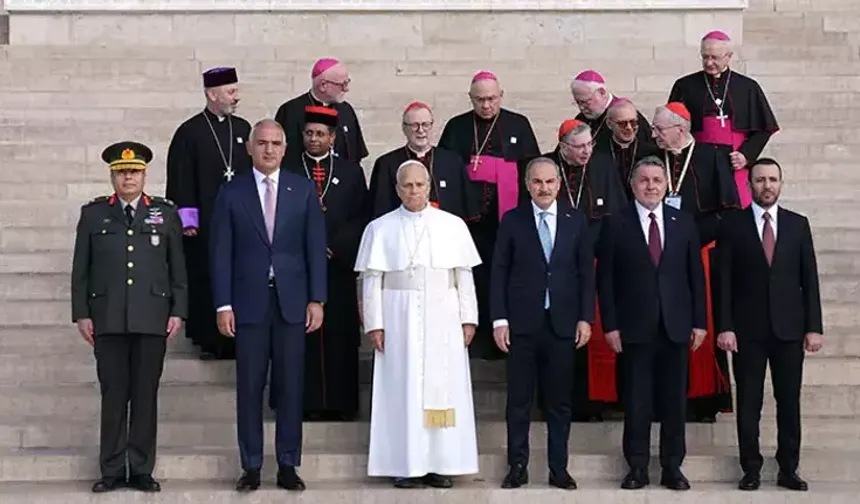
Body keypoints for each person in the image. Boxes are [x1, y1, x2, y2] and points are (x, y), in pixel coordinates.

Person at [209, 119, 327, 492]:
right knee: (249, 387)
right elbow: (220, 252)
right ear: (250, 147)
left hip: (292, 302)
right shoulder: (232, 192)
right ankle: (252, 465)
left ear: (286, 147)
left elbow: (314, 249)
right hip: (248, 304)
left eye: (276, 143)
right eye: (262, 143)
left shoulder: (303, 190)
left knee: (292, 386)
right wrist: (223, 304)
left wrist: (317, 298)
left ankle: (289, 463)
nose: (270, 149)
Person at [356, 160, 482, 489]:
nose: (414, 191)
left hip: (444, 316)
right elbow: (371, 281)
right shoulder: (379, 228)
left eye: (419, 185)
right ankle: (405, 464)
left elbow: (463, 276)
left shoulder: (452, 226)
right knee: (403, 391)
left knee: (445, 390)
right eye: (407, 185)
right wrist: (374, 324)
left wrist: (468, 318)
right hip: (398, 318)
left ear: (430, 186)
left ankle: (441, 464)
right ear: (397, 189)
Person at [71, 141, 187, 493]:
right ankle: (110, 469)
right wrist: (82, 314)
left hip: (152, 318)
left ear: (144, 175)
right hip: (107, 319)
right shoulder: (93, 215)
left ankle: (140, 468)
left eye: (134, 172)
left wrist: (178, 311)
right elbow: (82, 270)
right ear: (112, 177)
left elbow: (177, 268)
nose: (128, 178)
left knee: (145, 395)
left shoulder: (164, 214)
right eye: (122, 173)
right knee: (114, 395)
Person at [596, 156, 707, 491]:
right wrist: (611, 325)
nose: (651, 186)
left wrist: (699, 322)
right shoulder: (616, 222)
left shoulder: (683, 222)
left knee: (674, 401)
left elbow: (695, 277)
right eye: (644, 180)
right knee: (637, 400)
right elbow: (606, 280)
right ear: (633, 185)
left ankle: (673, 466)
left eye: (657, 180)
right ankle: (638, 467)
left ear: (666, 184)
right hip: (634, 328)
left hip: (675, 327)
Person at [716, 158, 823, 492]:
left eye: (773, 179)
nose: (767, 185)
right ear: (750, 185)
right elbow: (723, 282)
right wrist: (725, 326)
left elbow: (810, 279)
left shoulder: (797, 224)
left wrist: (814, 326)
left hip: (790, 330)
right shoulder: (731, 225)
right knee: (749, 402)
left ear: (781, 184)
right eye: (760, 180)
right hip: (747, 331)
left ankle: (789, 468)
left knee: (788, 401)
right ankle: (751, 469)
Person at [490, 157, 594, 490]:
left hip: (562, 324)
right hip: (522, 324)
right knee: (519, 400)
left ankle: (558, 468)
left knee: (559, 401)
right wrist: (499, 319)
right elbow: (499, 272)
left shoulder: (575, 220)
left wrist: (585, 318)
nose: (544, 188)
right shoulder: (513, 220)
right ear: (526, 184)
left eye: (550, 181)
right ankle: (517, 466)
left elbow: (584, 273)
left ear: (560, 184)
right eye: (537, 182)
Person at [438, 70, 541, 360]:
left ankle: (508, 338)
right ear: (471, 99)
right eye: (480, 100)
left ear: (501, 96)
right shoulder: (457, 127)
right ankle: (476, 338)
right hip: (470, 223)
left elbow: (530, 170)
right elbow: (446, 168)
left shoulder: (518, 125)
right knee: (474, 278)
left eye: (492, 99)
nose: (486, 105)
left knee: (508, 276)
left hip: (507, 221)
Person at [281, 105, 371, 421]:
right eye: (309, 133)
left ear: (332, 137)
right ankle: (303, 403)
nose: (314, 139)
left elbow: (363, 216)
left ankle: (340, 403)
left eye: (320, 134)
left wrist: (337, 246)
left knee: (339, 336)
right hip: (299, 266)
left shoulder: (350, 172)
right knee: (300, 334)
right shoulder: (289, 170)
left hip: (338, 266)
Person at [652, 101, 739, 422]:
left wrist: (690, 236)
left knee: (701, 323)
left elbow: (727, 210)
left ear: (681, 129)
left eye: (659, 129)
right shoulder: (652, 156)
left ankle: (704, 400)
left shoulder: (712, 156)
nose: (654, 134)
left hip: (701, 253)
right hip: (659, 254)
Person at [540, 119, 627, 421]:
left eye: (589, 144)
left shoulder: (602, 165)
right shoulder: (548, 167)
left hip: (596, 261)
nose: (586, 152)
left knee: (592, 333)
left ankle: (596, 403)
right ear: (563, 147)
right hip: (558, 265)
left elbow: (616, 213)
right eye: (578, 147)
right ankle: (561, 402)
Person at [166, 66, 253, 360]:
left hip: (239, 222)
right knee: (206, 278)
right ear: (211, 94)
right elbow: (180, 178)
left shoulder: (243, 130)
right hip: (205, 224)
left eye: (236, 91)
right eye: (231, 92)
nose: (236, 97)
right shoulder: (189, 132)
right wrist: (188, 219)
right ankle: (206, 339)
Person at [668, 30, 780, 208]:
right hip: (698, 163)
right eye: (705, 57)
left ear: (728, 56)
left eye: (714, 57)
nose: (709, 62)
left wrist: (746, 155)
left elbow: (764, 128)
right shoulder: (685, 86)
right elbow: (670, 124)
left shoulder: (747, 87)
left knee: (737, 213)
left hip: (734, 164)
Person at [369, 101, 478, 220]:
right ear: (404, 128)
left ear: (432, 126)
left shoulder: (452, 162)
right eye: (414, 125)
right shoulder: (386, 164)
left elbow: (463, 209)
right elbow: (380, 210)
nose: (421, 130)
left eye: (425, 124)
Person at [274, 58, 368, 165]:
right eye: (342, 84)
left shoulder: (346, 110)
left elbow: (356, 156)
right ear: (323, 85)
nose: (346, 89)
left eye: (347, 82)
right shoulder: (290, 111)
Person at [597, 97, 661, 199]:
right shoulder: (599, 152)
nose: (629, 128)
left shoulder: (651, 152)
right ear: (609, 124)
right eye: (622, 123)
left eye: (633, 122)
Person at [570, 70, 652, 147]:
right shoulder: (581, 119)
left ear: (602, 93)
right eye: (578, 102)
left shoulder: (626, 114)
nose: (581, 107)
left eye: (585, 102)